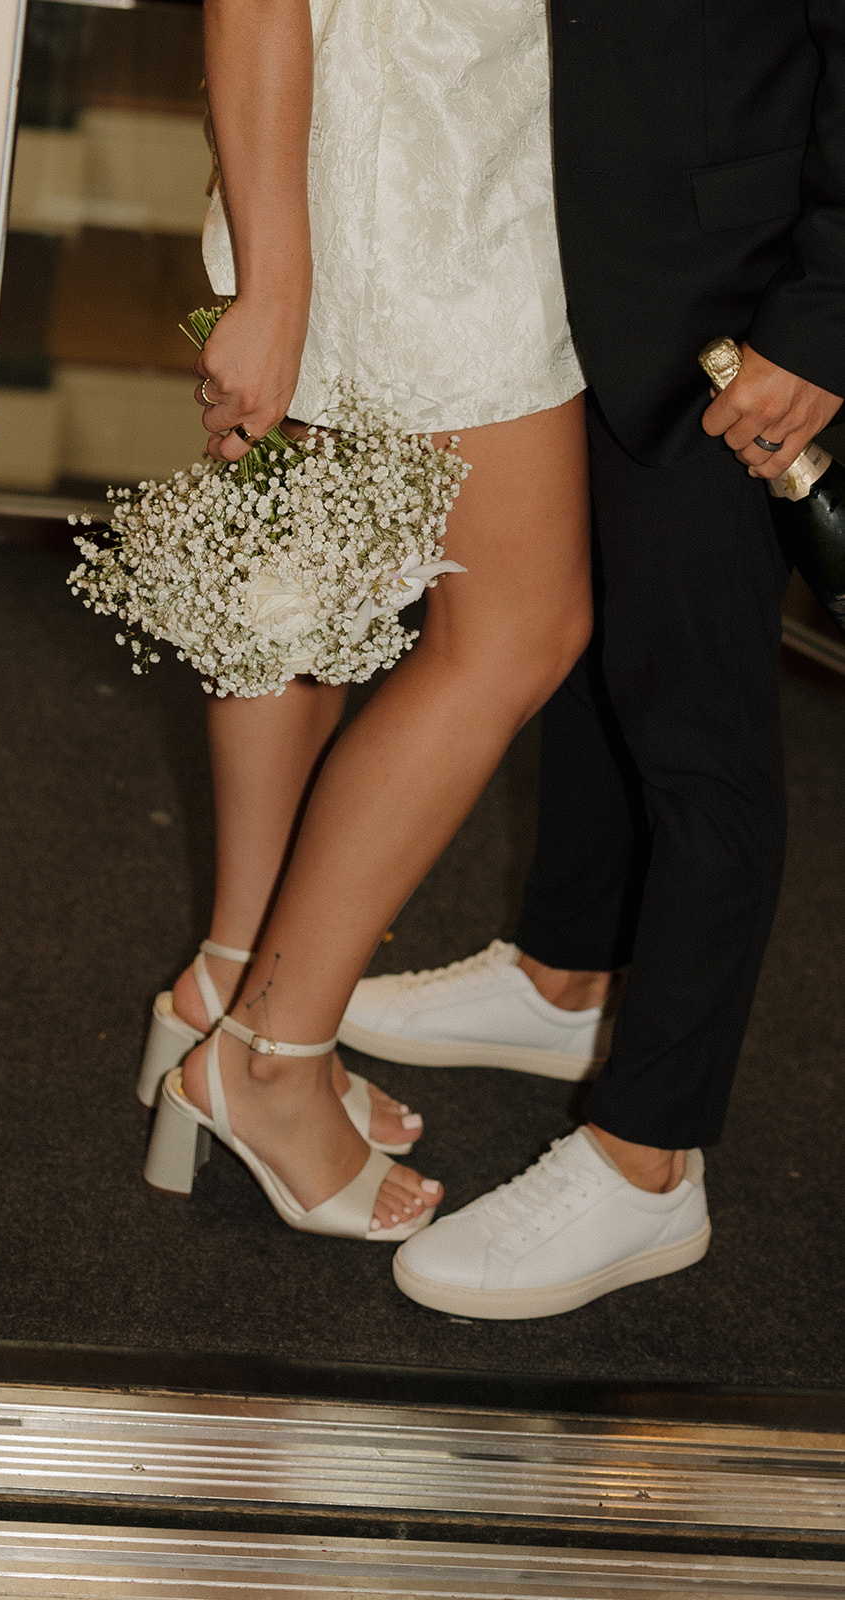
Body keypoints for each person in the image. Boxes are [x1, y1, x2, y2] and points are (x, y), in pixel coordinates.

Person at [344, 1, 845, 1311]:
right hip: (564, 259)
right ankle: (561, 971)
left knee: (697, 724)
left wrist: (821, 312)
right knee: (594, 646)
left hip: (740, 297)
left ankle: (645, 1163)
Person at [138, 0, 590, 1240]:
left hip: (408, 132)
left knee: (315, 597)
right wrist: (279, 283)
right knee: (514, 632)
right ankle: (268, 1057)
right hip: (422, 173)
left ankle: (232, 983)